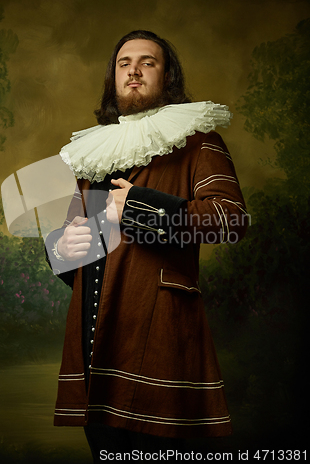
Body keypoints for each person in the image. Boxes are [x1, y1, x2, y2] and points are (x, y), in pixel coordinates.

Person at [45, 30, 248, 462]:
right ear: (113, 78)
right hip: (95, 343)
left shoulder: (197, 139)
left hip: (158, 337)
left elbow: (230, 221)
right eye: (124, 63)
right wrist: (65, 247)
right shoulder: (94, 154)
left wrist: (138, 206)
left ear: (167, 76)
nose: (133, 71)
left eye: (147, 62)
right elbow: (71, 248)